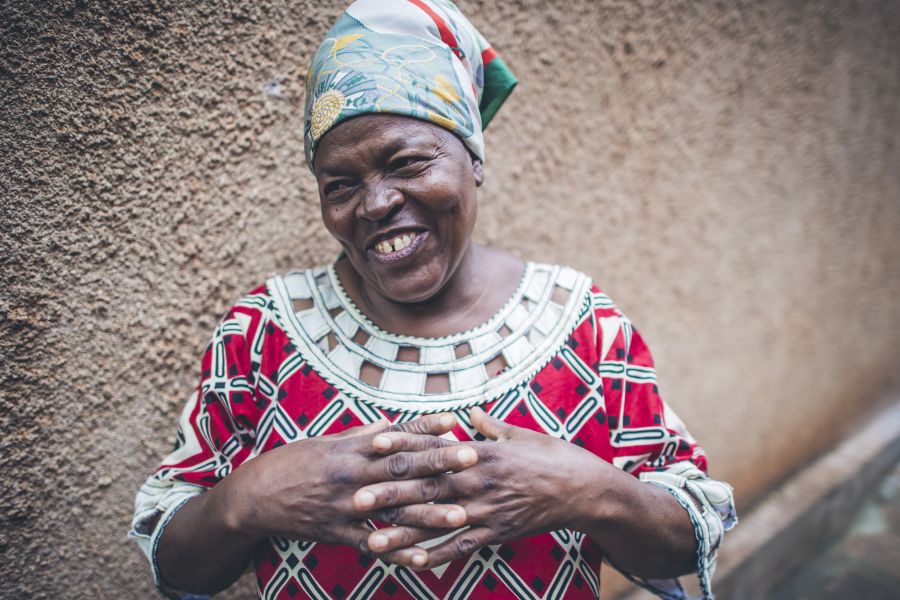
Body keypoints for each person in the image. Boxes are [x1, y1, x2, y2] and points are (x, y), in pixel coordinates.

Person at [130, 1, 737, 598]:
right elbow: (176, 566)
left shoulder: (582, 324)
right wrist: (250, 498)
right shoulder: (262, 334)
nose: (373, 204)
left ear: (473, 159)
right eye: (339, 185)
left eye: (409, 162)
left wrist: (587, 490)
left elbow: (688, 537)